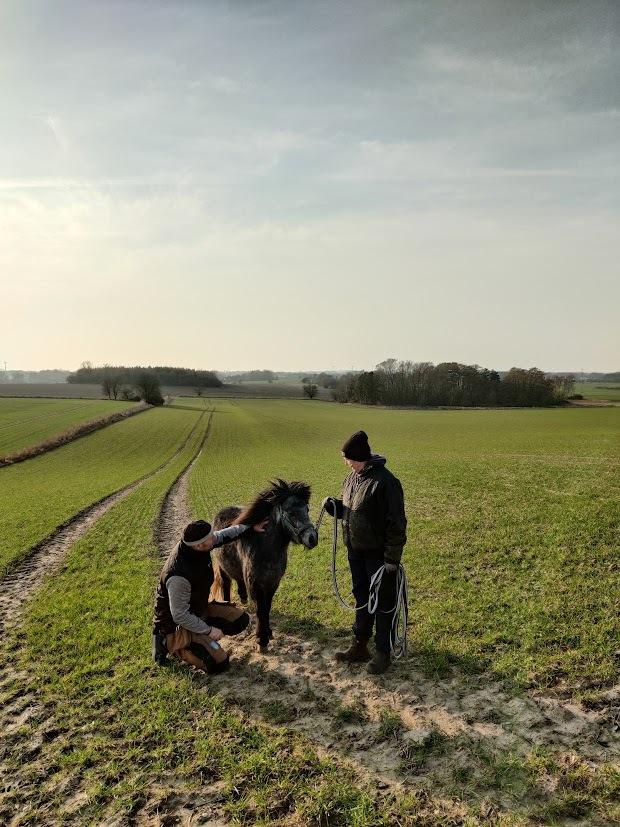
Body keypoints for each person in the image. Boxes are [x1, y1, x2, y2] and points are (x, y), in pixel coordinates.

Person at [323, 430, 407, 674]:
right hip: (356, 552)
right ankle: (359, 646)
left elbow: (397, 524)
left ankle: (383, 652)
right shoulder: (352, 479)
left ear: (358, 457)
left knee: (383, 602)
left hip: (378, 556)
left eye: (347, 457)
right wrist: (334, 508)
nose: (345, 462)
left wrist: (392, 559)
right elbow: (349, 510)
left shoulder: (386, 483)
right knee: (362, 597)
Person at [153, 518, 266, 674]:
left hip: (198, 609)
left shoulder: (199, 546)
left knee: (240, 620)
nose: (215, 537)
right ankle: (173, 646)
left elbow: (226, 534)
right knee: (219, 664)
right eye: (211, 537)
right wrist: (209, 630)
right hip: (176, 626)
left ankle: (200, 636)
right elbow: (179, 615)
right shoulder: (178, 575)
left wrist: (251, 526)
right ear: (199, 545)